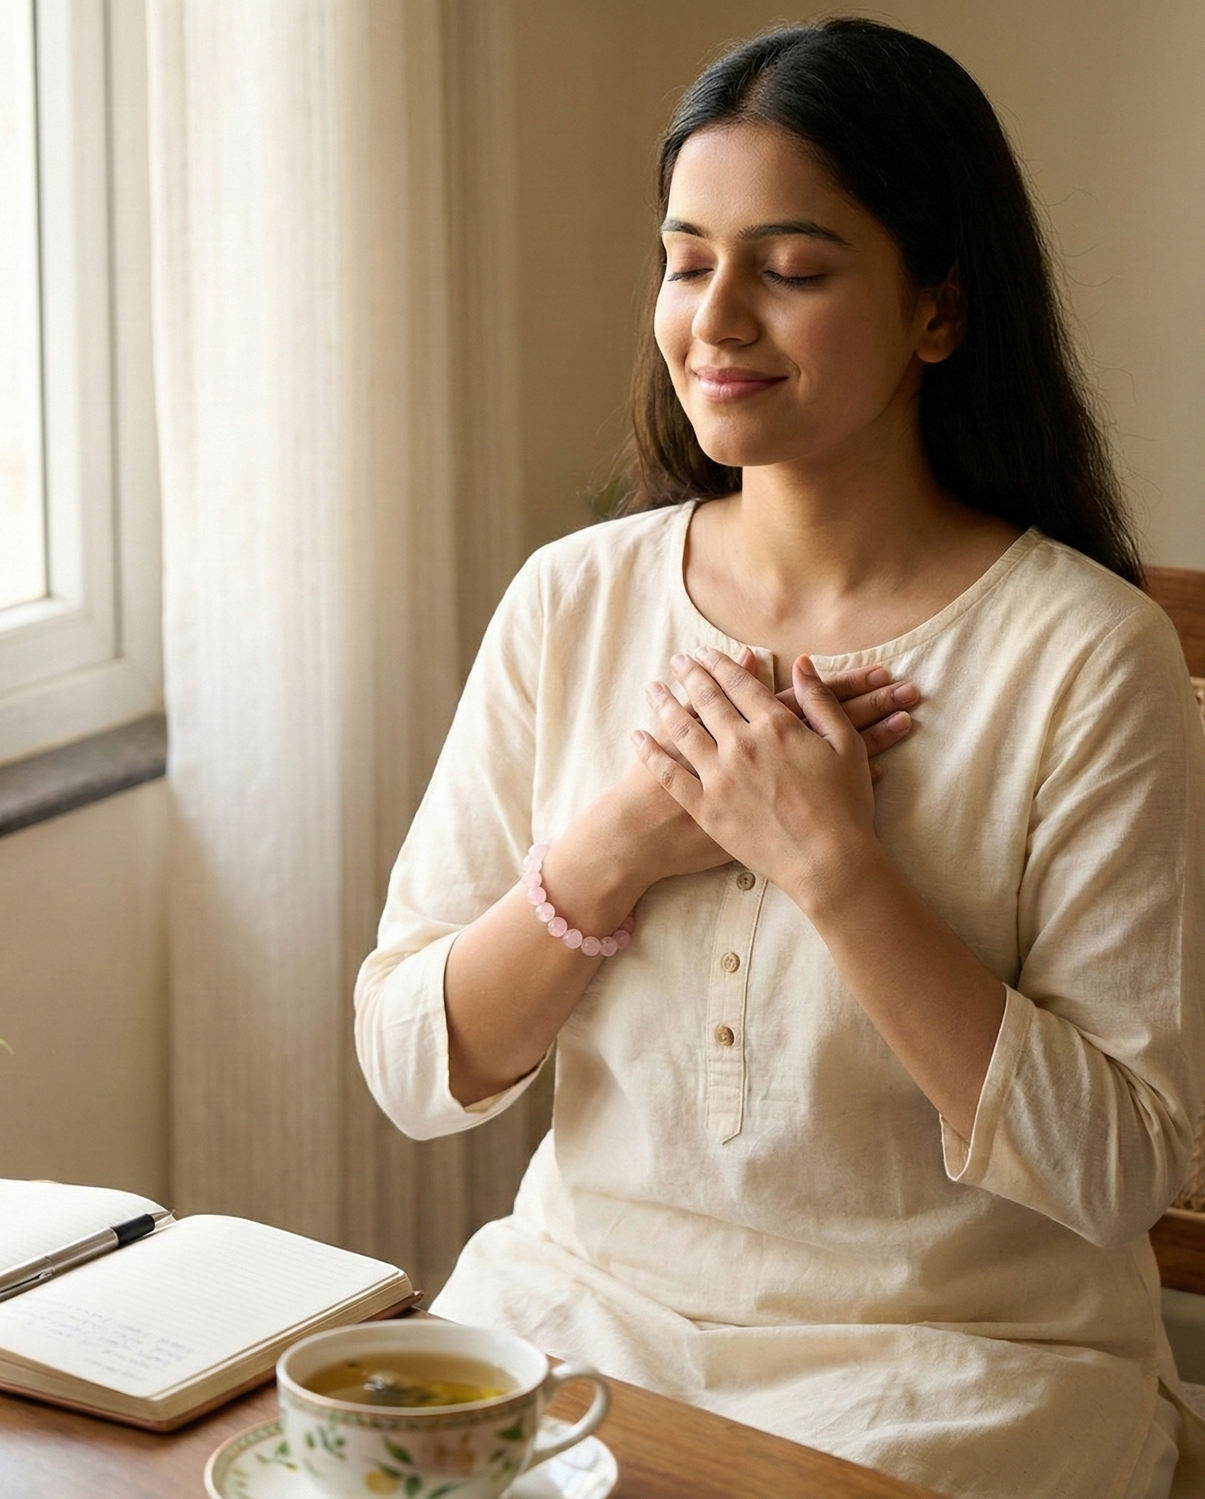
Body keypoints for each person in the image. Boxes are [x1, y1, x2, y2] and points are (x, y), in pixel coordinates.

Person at [354, 18, 1205, 1498]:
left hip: (954, 1374)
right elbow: (414, 1062)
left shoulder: (1089, 655)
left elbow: (1122, 1168)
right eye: (688, 261)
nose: (717, 318)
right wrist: (620, 843)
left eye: (793, 269)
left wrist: (835, 865)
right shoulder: (575, 599)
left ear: (940, 311)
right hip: (581, 1320)